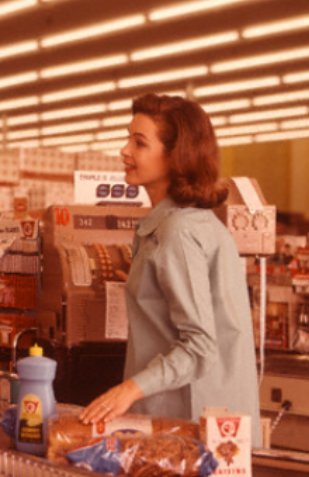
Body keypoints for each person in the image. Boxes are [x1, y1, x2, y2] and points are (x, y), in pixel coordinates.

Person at [79, 92, 261, 443]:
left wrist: (128, 390)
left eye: (139, 142)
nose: (124, 151)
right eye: (128, 138)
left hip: (187, 426)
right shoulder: (184, 224)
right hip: (208, 425)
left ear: (175, 156)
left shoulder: (178, 232)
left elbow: (199, 347)